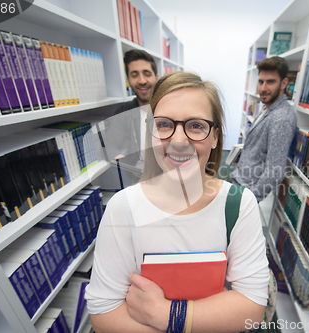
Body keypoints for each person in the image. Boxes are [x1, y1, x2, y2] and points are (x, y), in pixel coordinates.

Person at [85, 72, 270, 333]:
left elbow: (251, 306)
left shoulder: (239, 205)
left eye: (196, 126)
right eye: (163, 125)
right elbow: (105, 314)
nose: (179, 141)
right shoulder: (123, 208)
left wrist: (166, 315)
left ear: (215, 136)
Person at [231, 56, 297, 202]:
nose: (263, 88)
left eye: (271, 82)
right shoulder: (268, 108)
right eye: (261, 82)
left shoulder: (281, 118)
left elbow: (275, 172)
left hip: (248, 193)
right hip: (241, 183)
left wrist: (249, 201)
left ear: (284, 83)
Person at [103, 49, 159, 185]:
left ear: (156, 78)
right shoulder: (123, 111)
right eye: (134, 75)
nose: (142, 81)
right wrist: (128, 164)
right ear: (128, 80)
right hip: (138, 180)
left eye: (147, 74)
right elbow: (109, 144)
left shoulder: (171, 108)